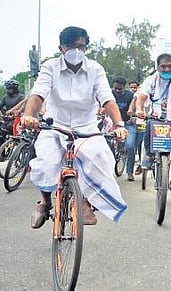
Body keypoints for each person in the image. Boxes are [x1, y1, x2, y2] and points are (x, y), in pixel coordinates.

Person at [21, 26, 128, 229]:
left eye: (81, 46)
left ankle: (86, 203)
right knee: (46, 160)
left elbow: (107, 99)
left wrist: (119, 124)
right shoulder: (49, 67)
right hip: (55, 126)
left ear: (86, 47)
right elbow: (38, 94)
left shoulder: (96, 69)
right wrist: (28, 115)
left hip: (86, 128)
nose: (76, 50)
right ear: (61, 47)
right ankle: (45, 202)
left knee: (101, 157)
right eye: (71, 46)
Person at [135, 53, 171, 195]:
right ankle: (149, 158)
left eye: (169, 66)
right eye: (163, 66)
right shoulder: (151, 80)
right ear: (158, 67)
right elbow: (142, 96)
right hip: (156, 119)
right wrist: (139, 109)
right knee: (149, 128)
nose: (166, 69)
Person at [111, 76, 136, 181]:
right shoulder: (110, 94)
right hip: (113, 124)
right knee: (107, 144)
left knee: (130, 146)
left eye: (120, 89)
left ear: (124, 87)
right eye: (115, 88)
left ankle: (130, 172)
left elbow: (134, 108)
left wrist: (133, 116)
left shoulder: (131, 95)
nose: (117, 91)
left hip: (128, 123)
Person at [128, 80, 146, 175]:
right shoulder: (139, 93)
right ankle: (138, 164)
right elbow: (133, 103)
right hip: (139, 122)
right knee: (137, 144)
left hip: (152, 121)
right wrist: (131, 112)